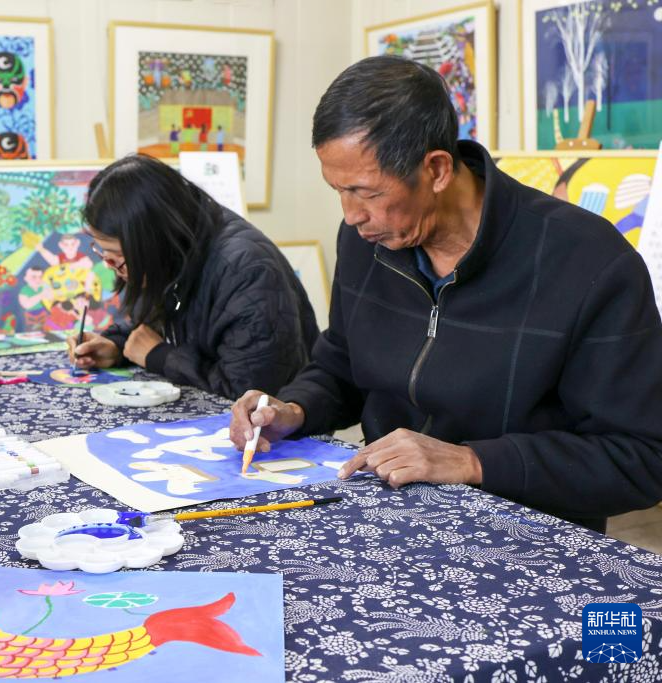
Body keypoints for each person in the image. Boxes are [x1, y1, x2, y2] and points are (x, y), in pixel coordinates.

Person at [229, 56, 662, 532]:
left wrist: (471, 461)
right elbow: (341, 364)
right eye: (339, 190)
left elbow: (642, 457)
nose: (351, 215)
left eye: (366, 192)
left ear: (436, 170)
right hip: (389, 518)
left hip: (526, 537)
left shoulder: (588, 262)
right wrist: (293, 409)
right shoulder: (367, 240)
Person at [67, 154, 319, 400]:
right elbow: (161, 321)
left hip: (268, 422)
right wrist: (116, 344)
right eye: (102, 252)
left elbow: (249, 392)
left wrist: (159, 356)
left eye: (116, 256)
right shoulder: (177, 244)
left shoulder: (246, 272)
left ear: (153, 240)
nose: (109, 265)